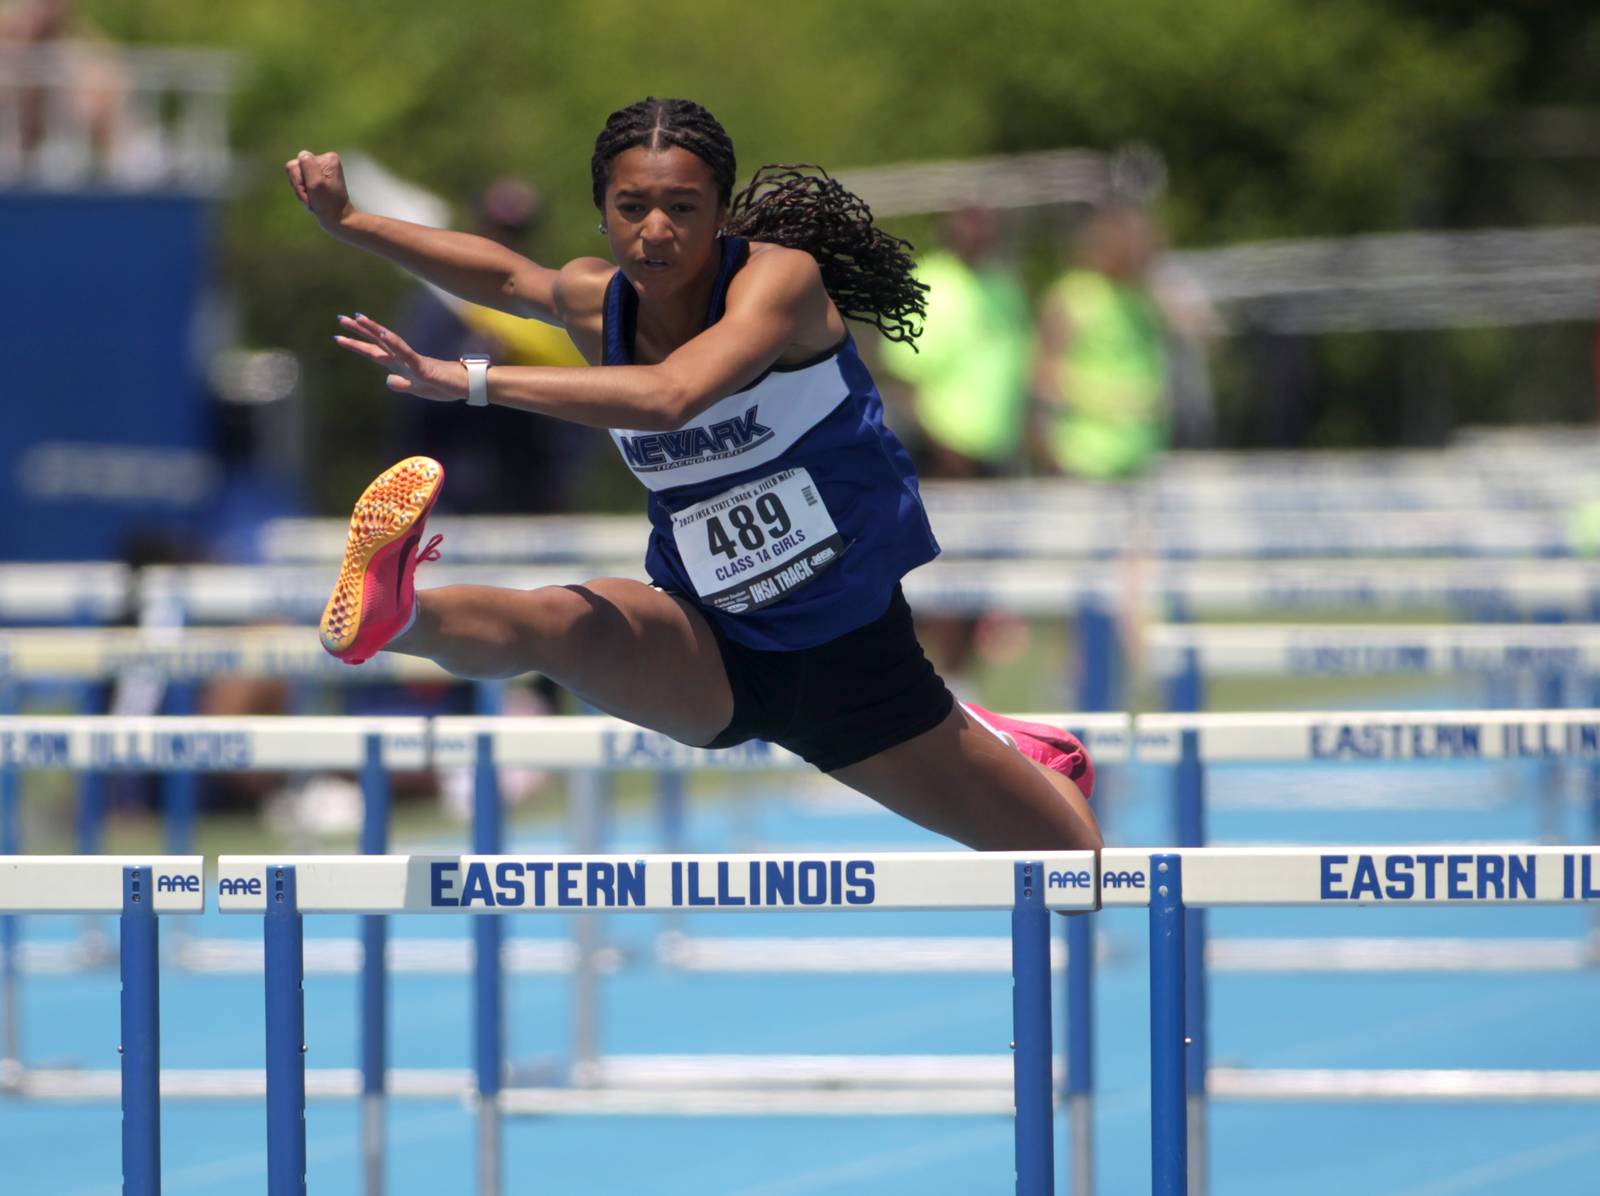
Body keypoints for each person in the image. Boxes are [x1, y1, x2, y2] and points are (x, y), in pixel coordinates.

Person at [285, 97, 1100, 853]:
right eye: (631, 207)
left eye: (682, 207)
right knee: (564, 626)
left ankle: (1009, 745)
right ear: (602, 212)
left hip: (855, 663)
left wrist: (471, 381)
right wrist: (350, 221)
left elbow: (669, 396)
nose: (656, 231)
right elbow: (503, 277)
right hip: (712, 643)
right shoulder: (596, 304)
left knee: (1074, 864)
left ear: (720, 213)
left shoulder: (778, 284)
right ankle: (397, 614)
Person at [1032, 200, 1170, 479]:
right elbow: (1043, 377)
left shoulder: (1142, 298)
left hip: (1139, 460)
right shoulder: (1074, 295)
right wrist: (1117, 401)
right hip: (1084, 461)